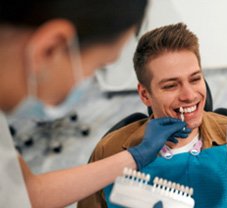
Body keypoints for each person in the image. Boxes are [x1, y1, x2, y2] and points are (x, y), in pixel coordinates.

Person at [78, 23, 227, 207]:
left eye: (195, 79)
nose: (190, 95)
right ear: (145, 94)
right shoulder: (110, 151)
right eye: (171, 85)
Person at [0, 1, 190, 207]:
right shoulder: (110, 144)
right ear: (49, 49)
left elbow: (26, 193)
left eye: (195, 79)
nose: (188, 95)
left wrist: (136, 157)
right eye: (98, 67)